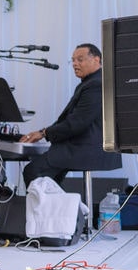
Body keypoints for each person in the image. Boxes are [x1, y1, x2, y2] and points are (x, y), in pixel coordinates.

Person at [20, 43, 121, 183]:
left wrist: (44, 133)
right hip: (84, 148)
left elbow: (77, 123)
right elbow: (70, 120)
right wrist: (43, 132)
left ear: (96, 60)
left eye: (80, 59)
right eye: (73, 60)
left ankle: (58, 205)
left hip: (87, 149)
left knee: (34, 171)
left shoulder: (96, 84)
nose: (75, 64)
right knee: (48, 178)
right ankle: (60, 204)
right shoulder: (91, 82)